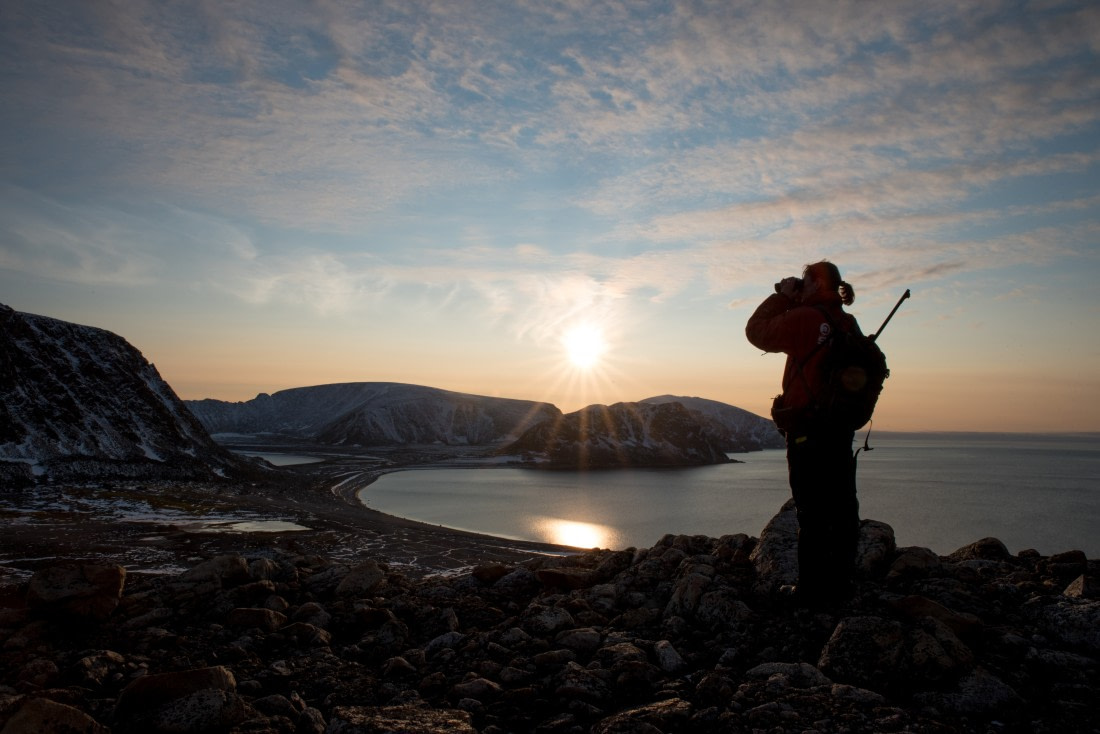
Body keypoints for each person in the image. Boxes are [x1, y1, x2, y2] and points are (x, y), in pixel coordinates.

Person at [745, 260, 862, 607]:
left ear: (816, 284)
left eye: (804, 282)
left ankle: (811, 594)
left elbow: (756, 331)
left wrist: (780, 296)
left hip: (808, 430)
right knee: (840, 509)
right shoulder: (845, 321)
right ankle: (840, 587)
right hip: (839, 429)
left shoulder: (807, 319)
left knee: (811, 511)